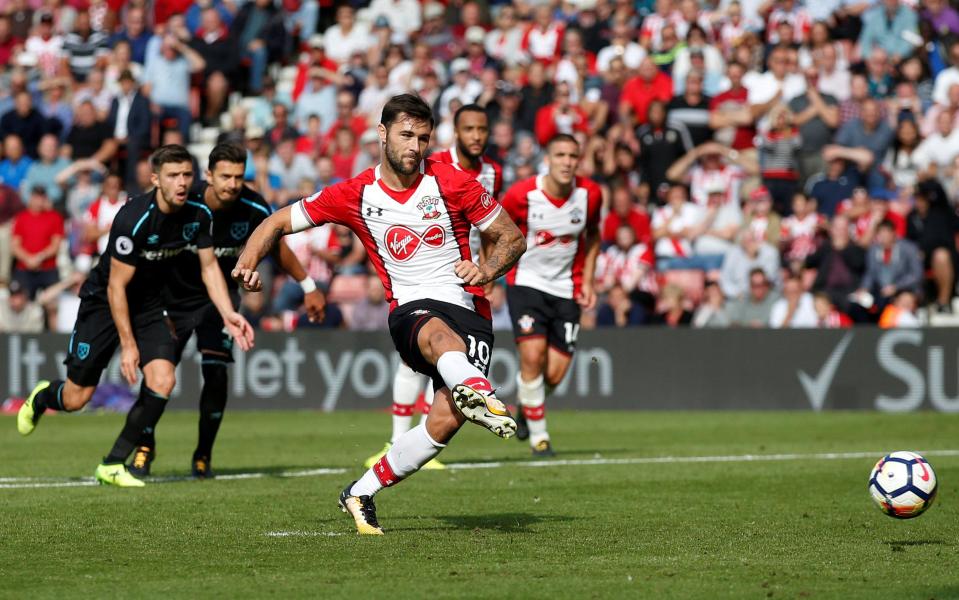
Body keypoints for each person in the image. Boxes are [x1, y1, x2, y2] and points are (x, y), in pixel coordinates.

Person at [232, 94, 526, 535]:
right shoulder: (354, 193)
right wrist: (246, 263)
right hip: (411, 309)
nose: (416, 146)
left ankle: (360, 491)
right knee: (437, 336)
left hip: (470, 309)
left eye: (424, 138)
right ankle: (478, 388)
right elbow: (275, 223)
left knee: (442, 424)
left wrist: (485, 269)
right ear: (383, 134)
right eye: (407, 135)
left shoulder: (454, 181)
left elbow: (512, 238)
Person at [17, 145, 255, 488]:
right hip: (103, 302)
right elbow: (116, 288)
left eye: (187, 174)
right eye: (173, 175)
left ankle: (113, 463)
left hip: (147, 304)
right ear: (156, 179)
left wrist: (228, 312)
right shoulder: (133, 218)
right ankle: (42, 396)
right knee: (76, 398)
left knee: (163, 380)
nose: (182, 183)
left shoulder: (199, 213)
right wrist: (128, 345)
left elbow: (208, 268)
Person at [127, 143, 324, 479]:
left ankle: (203, 455)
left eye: (238, 176)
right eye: (225, 176)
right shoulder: (184, 201)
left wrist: (308, 285)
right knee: (157, 376)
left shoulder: (253, 206)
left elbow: (276, 247)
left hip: (219, 303)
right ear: (208, 176)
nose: (233, 184)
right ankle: (145, 446)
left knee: (216, 374)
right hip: (171, 301)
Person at [365, 103, 503, 470]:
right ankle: (396, 439)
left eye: (482, 130)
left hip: (467, 277)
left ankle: (422, 435)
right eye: (470, 129)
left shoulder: (492, 171)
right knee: (419, 360)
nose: (477, 137)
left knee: (442, 364)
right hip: (428, 274)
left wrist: (489, 270)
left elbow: (492, 228)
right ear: (456, 134)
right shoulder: (430, 163)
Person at [499, 133, 601, 456]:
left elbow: (594, 235)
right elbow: (497, 231)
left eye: (573, 156)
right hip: (526, 282)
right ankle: (539, 438)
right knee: (532, 358)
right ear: (548, 159)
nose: (567, 162)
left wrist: (588, 281)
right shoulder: (522, 194)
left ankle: (528, 406)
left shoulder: (591, 194)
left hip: (566, 288)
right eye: (560, 155)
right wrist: (491, 273)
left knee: (554, 373)